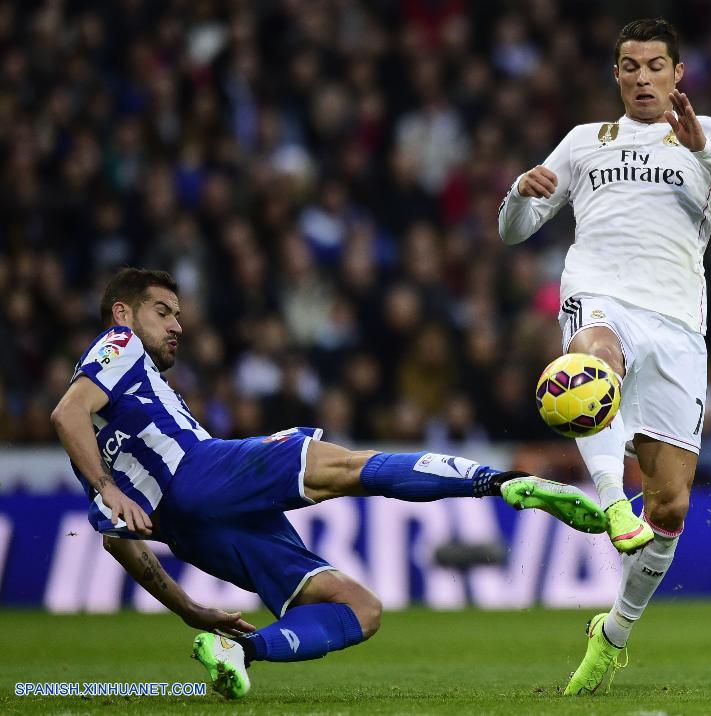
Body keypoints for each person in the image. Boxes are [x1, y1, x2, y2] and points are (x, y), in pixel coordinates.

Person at [50, 267, 607, 699]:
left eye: (178, 314)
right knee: (343, 468)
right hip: (202, 470)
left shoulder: (109, 430)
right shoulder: (117, 345)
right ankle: (497, 482)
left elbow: (117, 540)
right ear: (123, 314)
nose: (178, 325)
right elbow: (65, 412)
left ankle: (240, 649)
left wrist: (191, 610)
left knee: (359, 608)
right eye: (163, 311)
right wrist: (107, 486)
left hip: (186, 528)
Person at [498, 17, 711, 695]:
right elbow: (514, 234)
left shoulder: (706, 132)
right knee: (591, 363)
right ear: (616, 75)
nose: (643, 77)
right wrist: (517, 192)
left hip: (680, 326)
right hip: (600, 298)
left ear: (678, 74)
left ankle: (614, 632)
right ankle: (609, 502)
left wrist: (703, 148)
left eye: (656, 65)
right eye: (630, 66)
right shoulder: (583, 142)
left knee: (674, 506)